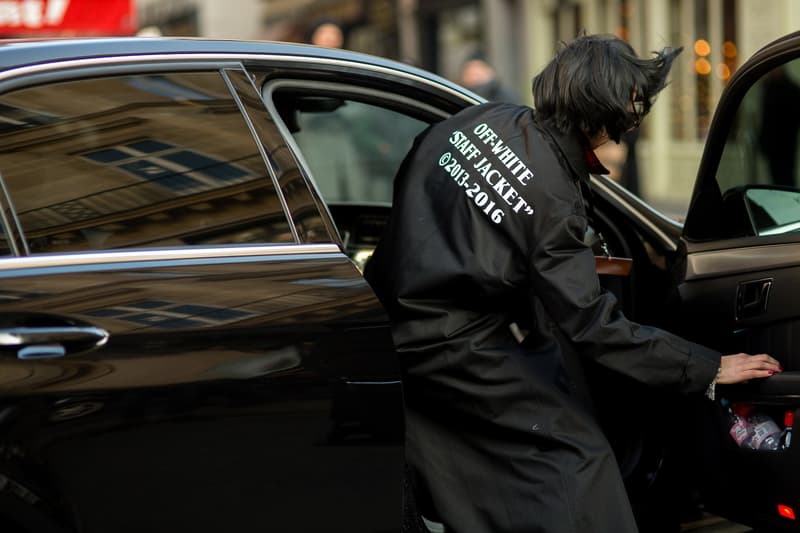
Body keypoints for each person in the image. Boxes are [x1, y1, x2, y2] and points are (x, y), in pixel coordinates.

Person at [364, 34, 781, 533]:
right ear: (602, 106)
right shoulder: (554, 198)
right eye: (631, 103)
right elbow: (592, 326)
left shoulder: (480, 119)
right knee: (575, 460)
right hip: (465, 351)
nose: (632, 117)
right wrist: (708, 366)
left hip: (397, 327)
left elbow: (418, 177)